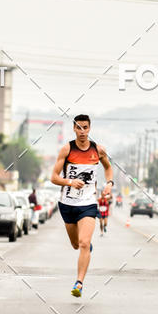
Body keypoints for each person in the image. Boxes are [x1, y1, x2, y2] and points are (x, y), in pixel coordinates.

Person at [51, 114, 113, 297]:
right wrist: (70, 182)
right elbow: (53, 177)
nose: (82, 131)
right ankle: (84, 247)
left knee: (84, 242)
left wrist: (109, 184)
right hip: (67, 203)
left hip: (88, 203)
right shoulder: (67, 149)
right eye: (79, 127)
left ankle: (79, 283)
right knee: (76, 244)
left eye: (85, 127)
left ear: (90, 128)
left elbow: (108, 168)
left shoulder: (98, 150)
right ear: (74, 129)